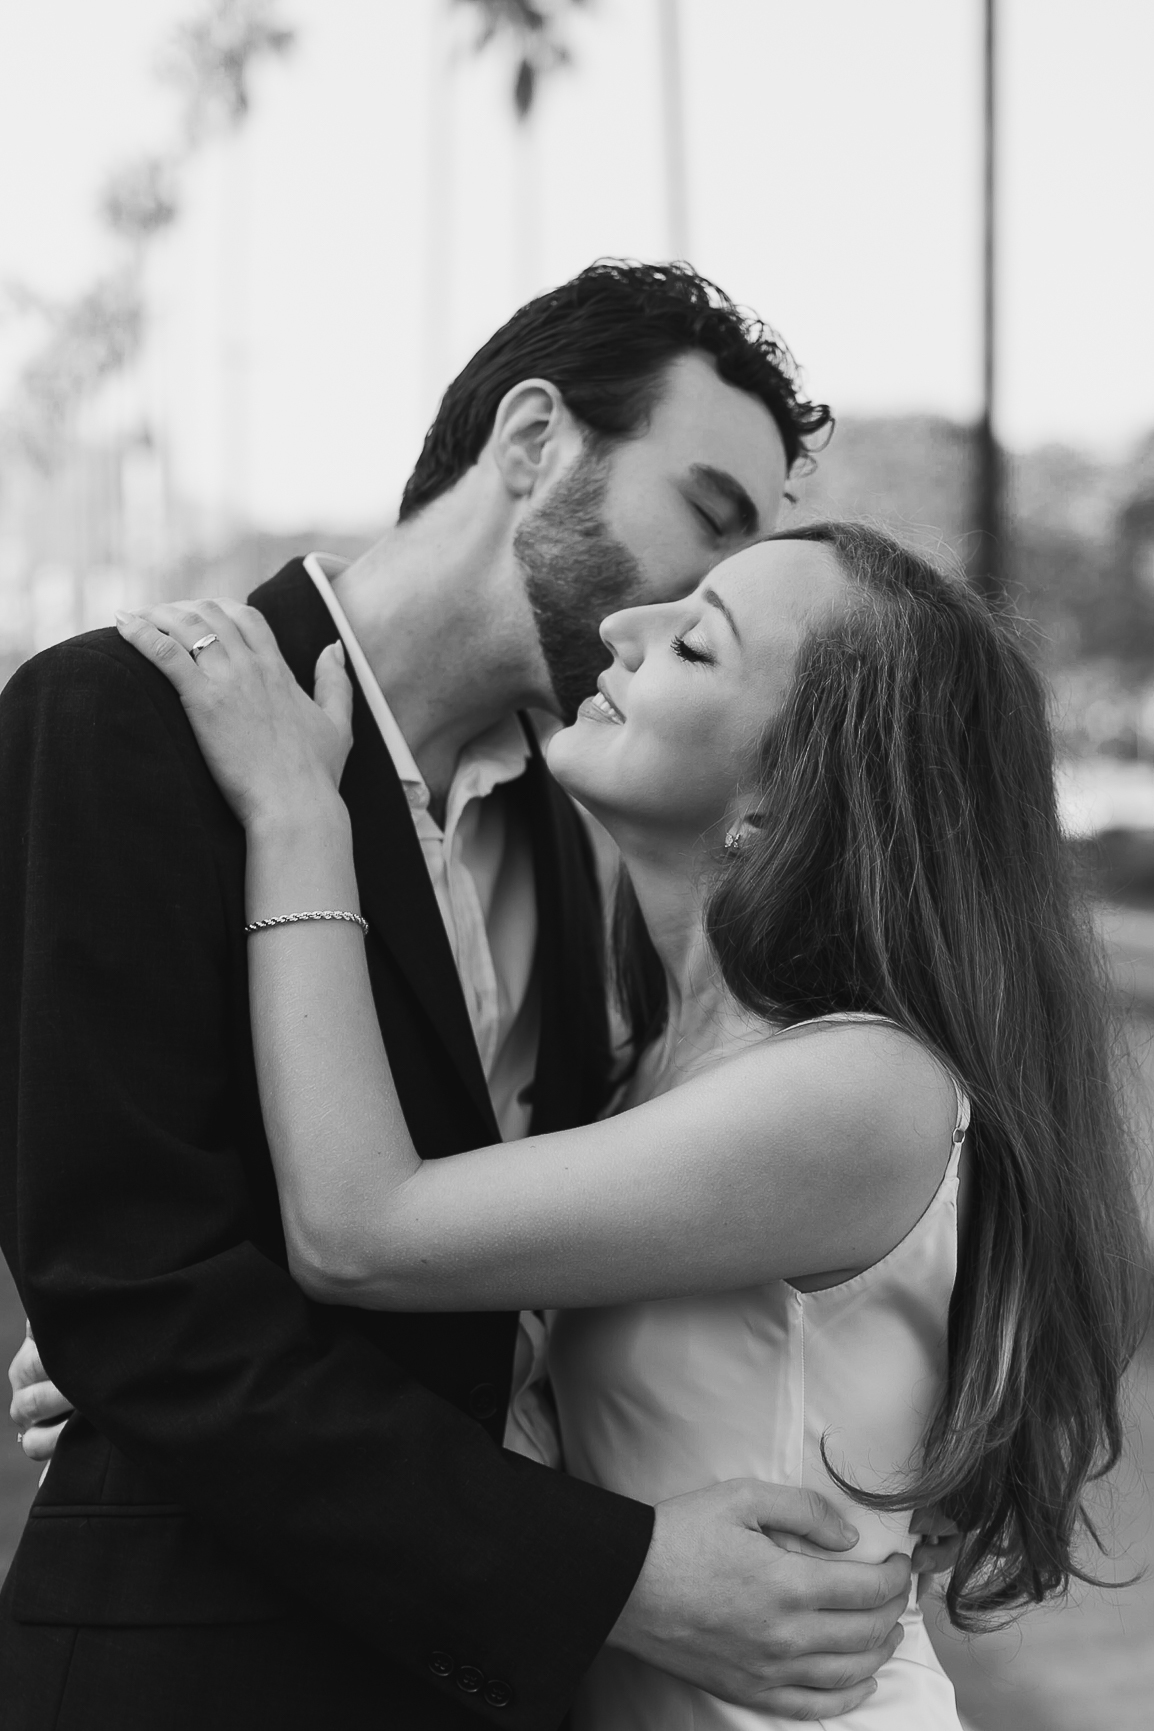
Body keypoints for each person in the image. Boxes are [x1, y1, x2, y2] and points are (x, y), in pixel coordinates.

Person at [0, 264, 918, 1731]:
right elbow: (142, 1292)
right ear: (533, 438)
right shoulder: (118, 719)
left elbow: (494, 1277)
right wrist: (610, 1574)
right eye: (708, 514)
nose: (696, 596)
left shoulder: (578, 833)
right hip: (198, 1673)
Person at [101, 522, 1147, 1729]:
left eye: (694, 643)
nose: (619, 628)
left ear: (787, 791)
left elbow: (357, 1229)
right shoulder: (646, 1062)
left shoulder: (860, 1089)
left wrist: (296, 816)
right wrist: (159, 1352)